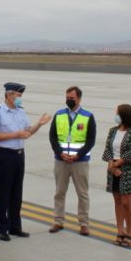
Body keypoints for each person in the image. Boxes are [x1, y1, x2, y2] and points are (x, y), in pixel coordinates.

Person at [0, 82, 51, 241]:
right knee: (3, 193)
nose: (20, 99)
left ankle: (15, 227)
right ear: (9, 95)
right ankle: (1, 228)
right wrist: (15, 135)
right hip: (5, 155)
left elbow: (27, 131)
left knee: (16, 193)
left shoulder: (21, 111)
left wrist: (39, 124)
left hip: (19, 155)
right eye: (18, 95)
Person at [48, 86, 97, 236]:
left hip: (79, 162)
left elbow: (91, 140)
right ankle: (58, 221)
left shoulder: (88, 116)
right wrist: (60, 153)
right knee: (59, 192)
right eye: (67, 97)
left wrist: (78, 155)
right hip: (61, 161)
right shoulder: (59, 115)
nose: (69, 100)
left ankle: (84, 223)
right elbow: (53, 137)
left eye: (72, 98)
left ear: (79, 99)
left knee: (82, 193)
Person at [101, 104, 131, 247]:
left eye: (117, 113)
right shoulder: (113, 131)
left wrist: (117, 164)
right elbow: (107, 150)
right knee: (117, 201)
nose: (116, 115)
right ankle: (120, 231)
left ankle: (129, 232)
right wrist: (112, 165)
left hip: (128, 171)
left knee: (126, 202)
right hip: (113, 170)